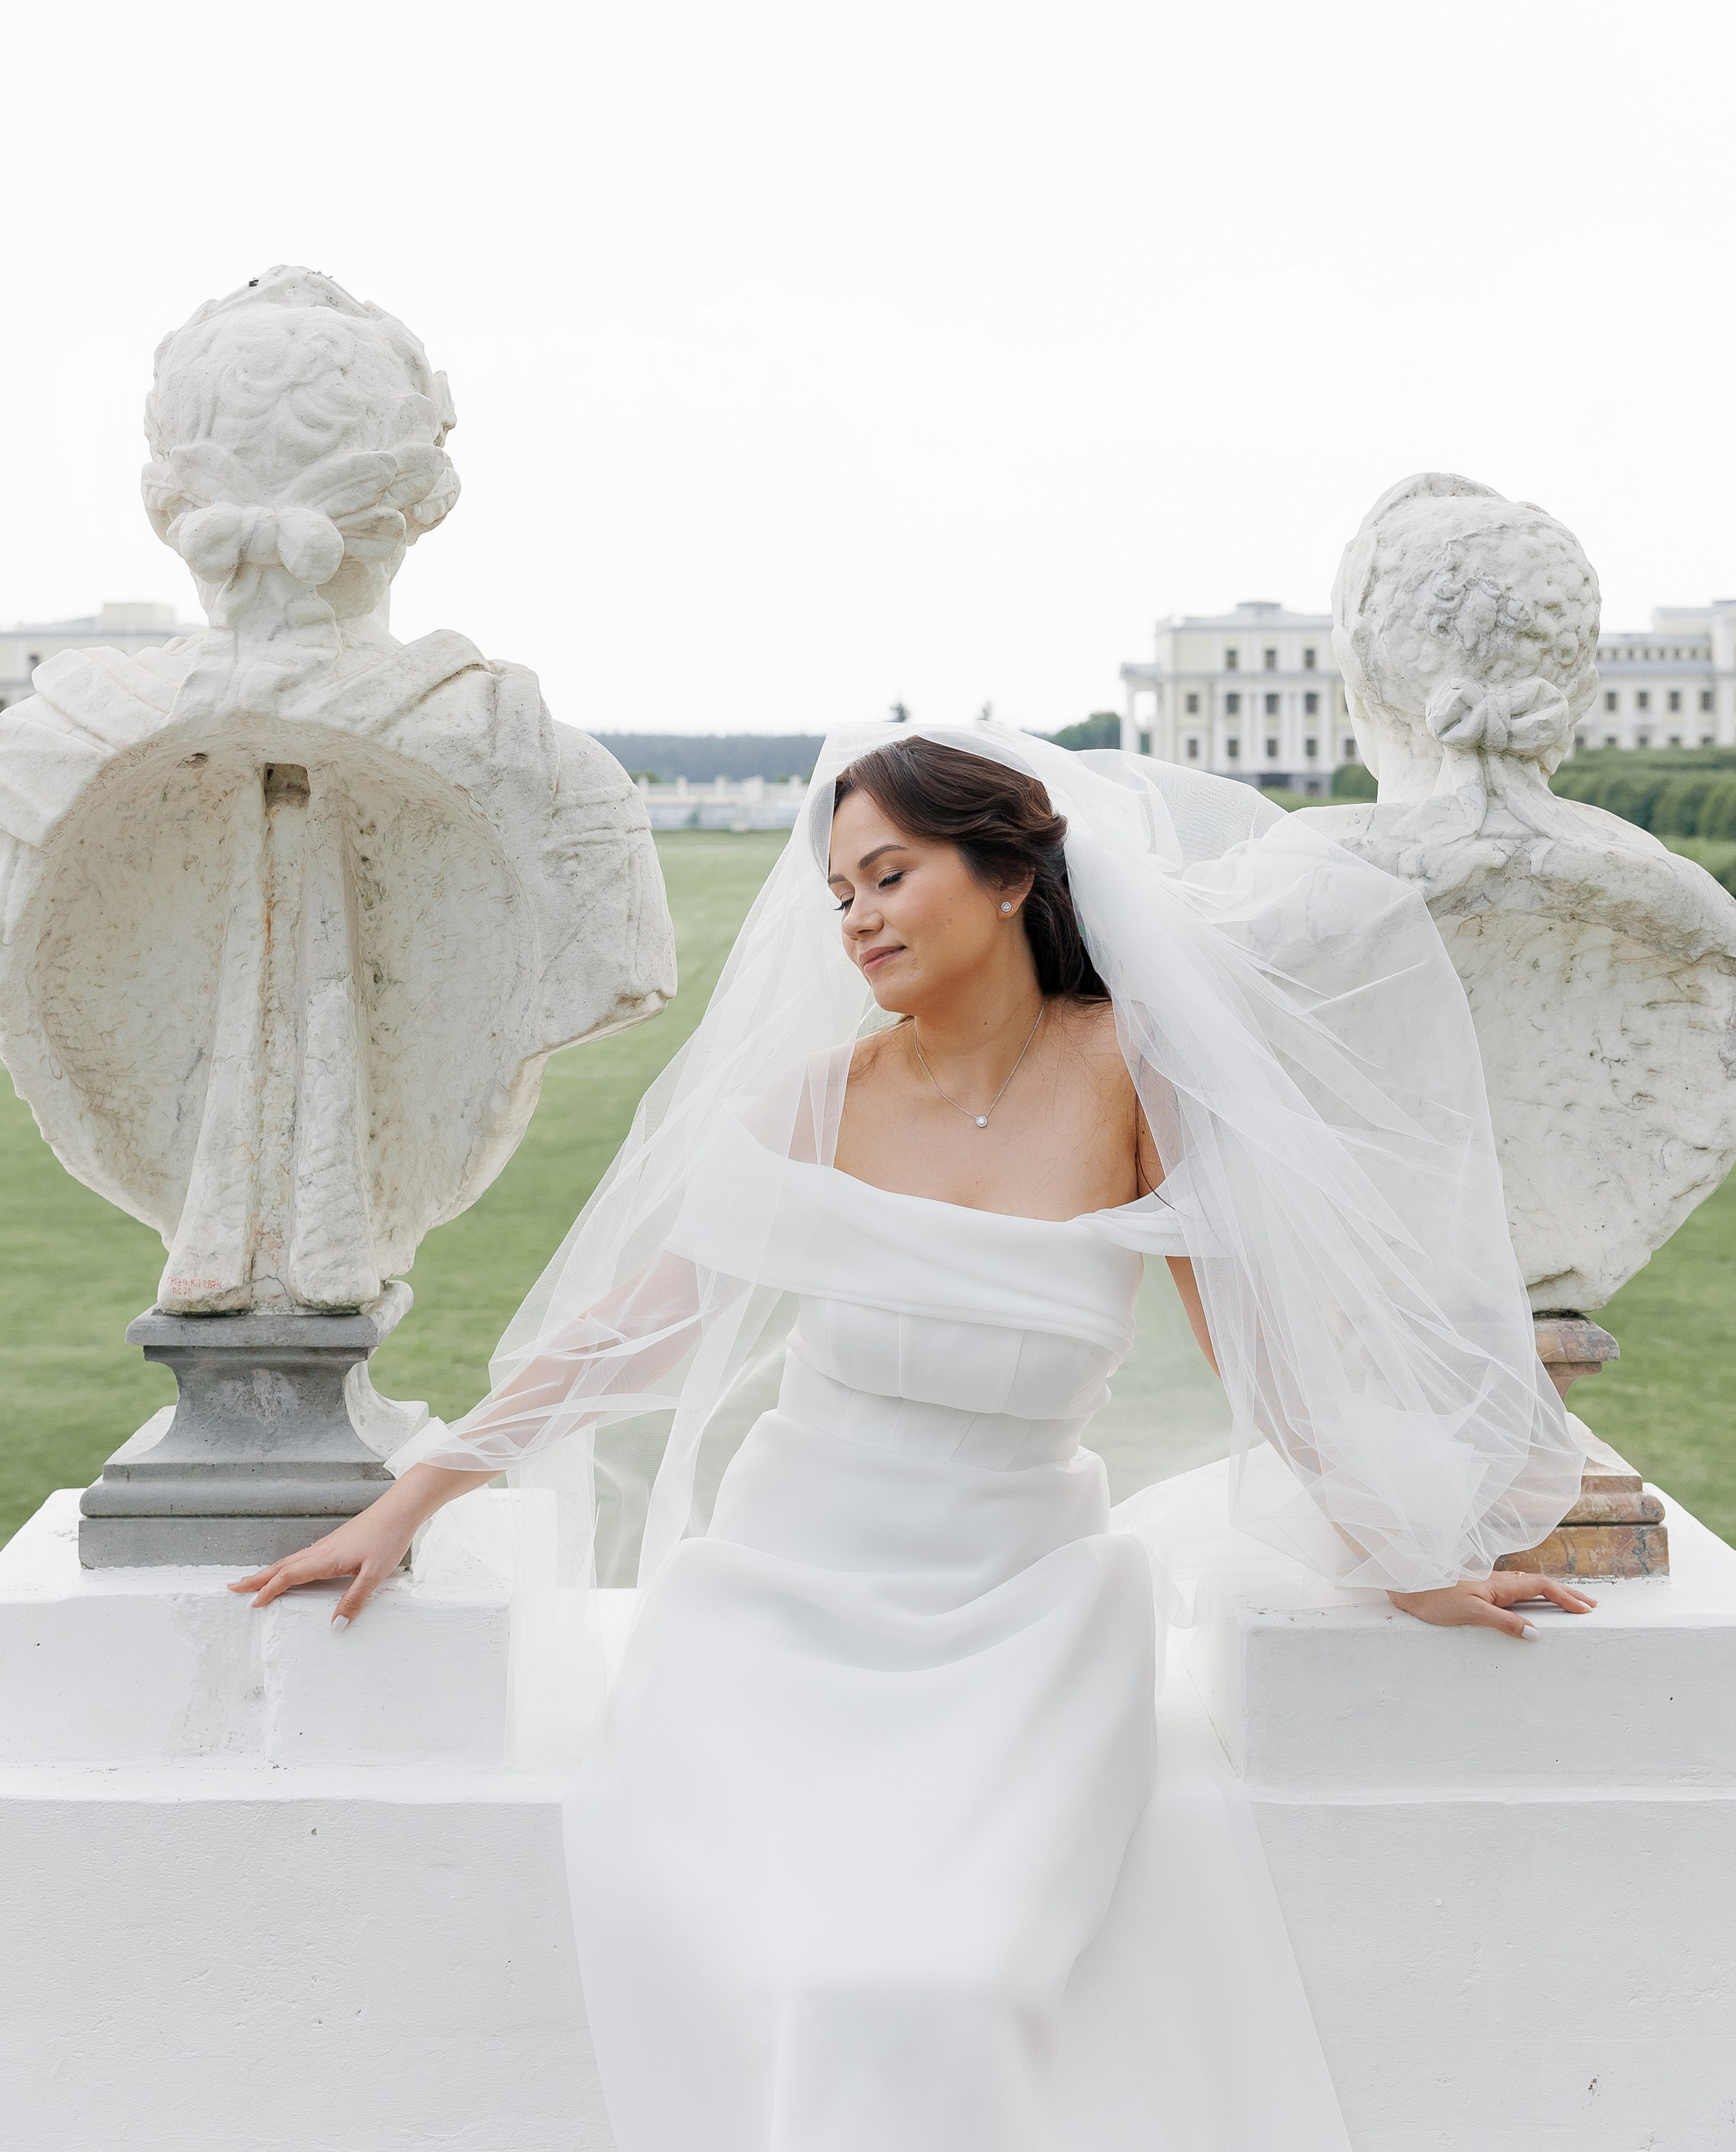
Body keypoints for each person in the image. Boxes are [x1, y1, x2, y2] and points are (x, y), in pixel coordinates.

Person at [234, 725, 1592, 2151]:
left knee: (959, 1977)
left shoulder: (1136, 1073)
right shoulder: (816, 1103)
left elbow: (1259, 1349)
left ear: (1007, 872)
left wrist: (1405, 1555)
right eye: (838, 896)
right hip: (781, 1608)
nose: (858, 919)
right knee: (818, 1971)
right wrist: (413, 1499)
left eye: (887, 874)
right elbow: (633, 1330)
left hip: (1020, 1616)